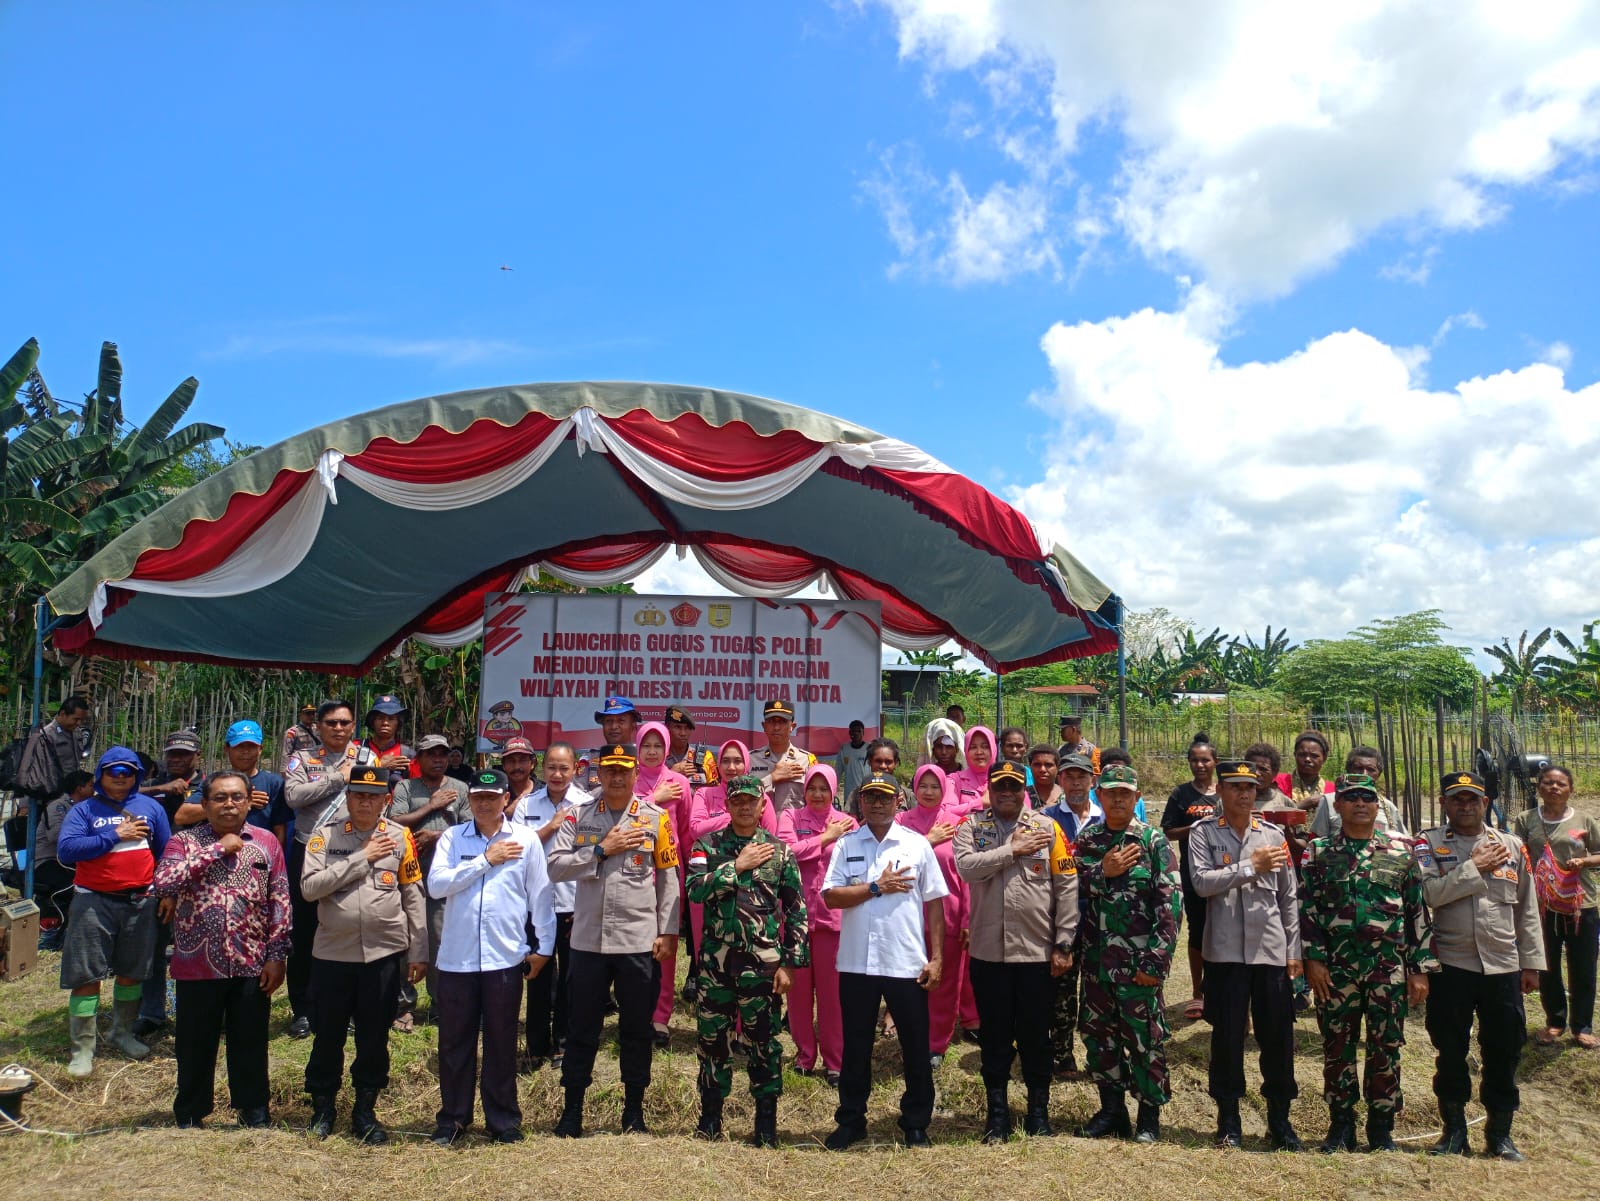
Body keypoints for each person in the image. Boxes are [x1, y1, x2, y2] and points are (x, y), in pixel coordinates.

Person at [546, 743, 681, 1138]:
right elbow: (554, 866)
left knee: (636, 1030)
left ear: (636, 774)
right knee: (581, 1027)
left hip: (638, 942)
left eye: (625, 770)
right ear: (598, 775)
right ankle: (572, 1112)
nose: (617, 777)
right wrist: (601, 851)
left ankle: (633, 1112)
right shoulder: (577, 816)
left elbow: (669, 877)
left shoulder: (655, 819)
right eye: (610, 771)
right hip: (588, 942)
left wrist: (668, 931)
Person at [1301, 773, 1437, 1153]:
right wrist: (1313, 960)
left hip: (1387, 970)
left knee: (1386, 1048)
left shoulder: (1401, 850)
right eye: (1351, 797)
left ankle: (1381, 1128)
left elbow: (1416, 913)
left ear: (1378, 805)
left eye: (1367, 797)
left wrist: (1419, 968)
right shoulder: (1318, 852)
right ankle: (1341, 1126)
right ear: (1337, 805)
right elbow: (1307, 909)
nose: (1360, 803)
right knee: (1336, 1047)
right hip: (1336, 971)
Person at [153, 770, 290, 1128]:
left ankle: (253, 1109)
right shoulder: (183, 842)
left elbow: (280, 900)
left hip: (250, 960)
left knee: (250, 1041)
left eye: (236, 797)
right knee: (194, 1044)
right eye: (220, 797)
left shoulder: (265, 843)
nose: (229, 804)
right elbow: (163, 881)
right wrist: (217, 849)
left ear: (248, 801)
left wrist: (277, 956)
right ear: (205, 803)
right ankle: (191, 1111)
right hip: (196, 963)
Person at [1419, 771, 1544, 1161]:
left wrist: (1532, 963)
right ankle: (1454, 1131)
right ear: (1444, 804)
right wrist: (1473, 867)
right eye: (1457, 799)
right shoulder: (1428, 844)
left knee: (1504, 1049)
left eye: (1473, 799)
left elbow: (1527, 909)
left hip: (1503, 966)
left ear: (1485, 803)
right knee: (1451, 1049)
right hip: (1452, 965)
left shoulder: (1512, 846)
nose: (1466, 805)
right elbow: (1429, 894)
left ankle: (1500, 1134)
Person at [299, 764, 427, 1143]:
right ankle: (323, 1108)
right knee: (328, 1037)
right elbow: (309, 888)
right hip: (333, 957)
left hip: (383, 956)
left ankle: (365, 1111)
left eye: (373, 796)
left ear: (386, 800)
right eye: (358, 795)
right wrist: (363, 857)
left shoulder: (401, 837)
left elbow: (413, 896)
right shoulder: (324, 838)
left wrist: (419, 950)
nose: (365, 802)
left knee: (373, 1037)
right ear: (348, 797)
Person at [428, 768, 555, 1146]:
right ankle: (453, 1119)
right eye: (478, 797)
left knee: (501, 1042)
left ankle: (503, 1121)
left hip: (504, 957)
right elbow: (436, 885)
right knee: (454, 1043)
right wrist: (486, 859)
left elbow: (541, 896)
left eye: (492, 797)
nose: (484, 803)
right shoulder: (453, 837)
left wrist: (544, 947)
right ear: (470, 801)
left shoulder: (526, 840)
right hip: (457, 960)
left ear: (505, 800)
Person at [821, 772, 948, 1150]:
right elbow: (832, 897)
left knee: (915, 1047)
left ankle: (915, 1123)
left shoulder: (916, 846)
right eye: (870, 797)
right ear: (860, 802)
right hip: (857, 964)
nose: (877, 803)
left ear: (898, 802)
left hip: (905, 962)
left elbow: (935, 904)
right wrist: (876, 886)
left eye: (884, 797)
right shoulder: (846, 845)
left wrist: (937, 957)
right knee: (856, 1046)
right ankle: (851, 1120)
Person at [953, 759, 1078, 1142]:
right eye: (1000, 786)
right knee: (994, 1037)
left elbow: (1067, 885)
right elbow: (966, 868)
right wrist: (1012, 849)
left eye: (1013, 786)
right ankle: (998, 1115)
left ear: (1023, 789)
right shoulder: (972, 827)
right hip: (989, 955)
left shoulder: (1047, 827)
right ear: (989, 789)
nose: (1007, 792)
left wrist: (1064, 942)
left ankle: (1038, 1112)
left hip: (1036, 954)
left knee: (1036, 1036)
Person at [687, 773, 809, 1146]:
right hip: (716, 966)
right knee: (712, 1041)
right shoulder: (706, 845)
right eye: (736, 800)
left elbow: (797, 911)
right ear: (727, 805)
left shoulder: (780, 852)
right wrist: (736, 866)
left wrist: (789, 964)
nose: (743, 806)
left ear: (762, 806)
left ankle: (766, 1124)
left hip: (762, 966)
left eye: (750, 801)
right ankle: (710, 1119)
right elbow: (694, 890)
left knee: (764, 1043)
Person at [1190, 760, 1303, 1151]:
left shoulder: (1272, 834)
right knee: (1226, 1038)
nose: (1243, 794)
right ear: (1220, 790)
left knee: (1277, 1038)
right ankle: (1228, 1120)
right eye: (1235, 787)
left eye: (1250, 788)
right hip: (1224, 956)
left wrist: (1294, 950)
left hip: (1270, 952)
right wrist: (1249, 866)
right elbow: (1202, 882)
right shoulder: (1203, 833)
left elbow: (1289, 897)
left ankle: (1280, 1121)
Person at [1074, 763, 1180, 1143]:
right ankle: (1112, 1111)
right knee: (1099, 1039)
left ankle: (1148, 1118)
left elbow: (1170, 907)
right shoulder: (1088, 841)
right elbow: (1072, 889)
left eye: (1125, 793)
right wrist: (1103, 870)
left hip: (1138, 966)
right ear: (1098, 796)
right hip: (1097, 964)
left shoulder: (1153, 842)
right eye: (1110, 791)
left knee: (1144, 1041)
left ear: (1137, 798)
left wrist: (1155, 963)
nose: (1118, 798)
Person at [55, 747, 173, 1077]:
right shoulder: (84, 810)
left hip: (140, 900)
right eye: (112, 772)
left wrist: (165, 892)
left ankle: (122, 1032)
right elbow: (67, 849)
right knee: (86, 974)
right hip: (93, 901)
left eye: (127, 772)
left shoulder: (151, 808)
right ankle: (83, 1048)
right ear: (100, 776)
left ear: (137, 776)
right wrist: (113, 835)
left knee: (132, 970)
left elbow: (166, 853)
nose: (120, 778)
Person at [282, 699, 367, 1038]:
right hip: (309, 849)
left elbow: (373, 799)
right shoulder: (302, 759)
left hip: (352, 849)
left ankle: (342, 1007)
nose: (338, 728)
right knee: (304, 931)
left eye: (344, 722)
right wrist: (337, 778)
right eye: (330, 722)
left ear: (352, 725)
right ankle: (302, 1009)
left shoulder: (366, 759)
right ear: (317, 726)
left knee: (346, 926)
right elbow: (293, 796)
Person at [1511, 763, 1600, 1050]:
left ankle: (1582, 1026)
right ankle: (1555, 1021)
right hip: (1541, 906)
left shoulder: (1585, 820)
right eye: (1548, 783)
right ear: (1539, 787)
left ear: (1571, 789)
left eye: (1560, 784)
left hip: (1580, 905)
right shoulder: (1526, 820)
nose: (1554, 788)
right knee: (1546, 965)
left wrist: (1585, 862)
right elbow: (1519, 855)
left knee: (1583, 966)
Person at [777, 764, 856, 1085]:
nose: (819, 794)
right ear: (804, 790)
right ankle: (805, 1055)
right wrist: (825, 838)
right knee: (797, 995)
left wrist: (823, 840)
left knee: (832, 997)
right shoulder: (790, 818)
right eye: (813, 788)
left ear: (834, 790)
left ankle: (835, 1061)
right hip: (795, 919)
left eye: (825, 788)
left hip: (833, 922)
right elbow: (786, 852)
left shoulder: (848, 822)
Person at [511, 740, 588, 1068]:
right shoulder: (525, 806)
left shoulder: (586, 803)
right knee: (538, 977)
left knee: (572, 978)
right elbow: (515, 850)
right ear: (542, 770)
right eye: (552, 768)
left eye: (564, 768)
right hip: (536, 904)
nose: (557, 774)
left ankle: (564, 1044)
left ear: (575, 770)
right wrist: (550, 828)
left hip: (574, 902)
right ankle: (537, 1046)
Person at [386, 733, 469, 1027]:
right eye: (431, 754)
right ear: (418, 759)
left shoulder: (460, 788)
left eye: (442, 754)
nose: (438, 759)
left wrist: (438, 835)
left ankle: (439, 1002)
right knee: (403, 940)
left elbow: (472, 827)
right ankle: (403, 1005)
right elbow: (393, 822)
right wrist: (431, 806)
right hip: (407, 877)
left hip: (443, 878)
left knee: (440, 940)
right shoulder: (406, 787)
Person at [135, 729, 210, 1037]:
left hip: (197, 877)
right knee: (152, 950)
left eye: (184, 754)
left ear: (197, 756)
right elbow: (118, 795)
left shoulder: (208, 784)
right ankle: (152, 1013)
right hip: (154, 876)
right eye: (172, 753)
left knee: (196, 948)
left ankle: (196, 1013)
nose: (177, 759)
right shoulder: (154, 784)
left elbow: (188, 816)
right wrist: (163, 788)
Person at [896, 763, 969, 1066]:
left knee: (944, 983)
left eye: (935, 786)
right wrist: (928, 841)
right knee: (909, 982)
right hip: (906, 915)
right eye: (922, 785)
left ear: (944, 789)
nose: (928, 792)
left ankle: (937, 1044)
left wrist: (967, 919)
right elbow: (893, 861)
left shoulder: (959, 823)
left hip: (948, 914)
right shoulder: (900, 821)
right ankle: (913, 1038)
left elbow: (967, 874)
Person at [1040, 751, 1098, 1080]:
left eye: (1082, 776)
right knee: (1061, 991)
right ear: (1060, 780)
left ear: (1093, 780)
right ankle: (1061, 1056)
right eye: (1070, 776)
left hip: (1101, 920)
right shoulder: (1046, 818)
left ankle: (1100, 1055)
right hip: (1059, 918)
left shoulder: (1108, 817)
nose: (1076, 782)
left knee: (1097, 992)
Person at [636, 720, 692, 1045]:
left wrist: (687, 869)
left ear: (667, 748)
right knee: (638, 945)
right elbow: (627, 816)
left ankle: (660, 1017)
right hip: (635, 873)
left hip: (669, 872)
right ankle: (638, 1011)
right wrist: (654, 797)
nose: (653, 751)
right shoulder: (628, 779)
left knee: (667, 946)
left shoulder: (680, 783)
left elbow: (684, 831)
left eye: (659, 745)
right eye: (647, 745)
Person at [1160, 734, 1219, 1022]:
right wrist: (1197, 827)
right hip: (1193, 873)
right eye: (1194, 760)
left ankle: (1220, 991)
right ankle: (1198, 993)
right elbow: (1168, 831)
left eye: (1205, 759)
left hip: (1225, 872)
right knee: (1198, 931)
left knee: (1222, 931)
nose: (1200, 764)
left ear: (1215, 762)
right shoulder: (1180, 795)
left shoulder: (1226, 792)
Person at [32, 770, 93, 951]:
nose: (94, 789)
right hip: (48, 862)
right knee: (75, 888)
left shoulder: (89, 807)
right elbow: (58, 837)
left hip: (69, 863)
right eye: (91, 785)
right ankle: (58, 934)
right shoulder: (59, 806)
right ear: (79, 788)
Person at [1310, 746, 1407, 839]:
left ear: (1378, 774)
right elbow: (1317, 839)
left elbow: (1403, 840)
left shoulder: (1387, 806)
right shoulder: (1329, 801)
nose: (1364, 773)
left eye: (1371, 769)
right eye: (1358, 768)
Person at [15, 695, 89, 815]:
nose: (78, 723)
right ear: (63, 714)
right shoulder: (46, 736)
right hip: (51, 798)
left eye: (81, 720)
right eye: (75, 719)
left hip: (71, 796)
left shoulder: (76, 733)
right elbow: (31, 771)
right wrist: (24, 805)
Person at [221, 720, 290, 844]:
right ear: (227, 749)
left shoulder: (275, 784)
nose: (245, 752)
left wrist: (276, 857)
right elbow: (183, 816)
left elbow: (280, 829)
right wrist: (242, 802)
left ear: (260, 749)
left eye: (251, 746)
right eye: (239, 746)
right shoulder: (216, 782)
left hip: (260, 856)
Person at [748, 698, 815, 812]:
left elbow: (815, 802)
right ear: (764, 726)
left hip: (794, 829)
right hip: (757, 828)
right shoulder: (750, 759)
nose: (776, 727)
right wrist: (771, 778)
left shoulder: (807, 760)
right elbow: (741, 798)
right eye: (771, 721)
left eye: (783, 721)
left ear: (792, 726)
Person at [578, 695, 640, 793]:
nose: (614, 726)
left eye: (621, 721)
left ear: (633, 726)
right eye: (609, 721)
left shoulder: (643, 758)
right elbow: (577, 796)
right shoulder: (588, 759)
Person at [360, 694, 415, 786]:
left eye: (391, 719)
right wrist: (379, 765)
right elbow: (346, 777)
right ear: (372, 721)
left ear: (398, 723)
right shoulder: (357, 748)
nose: (385, 723)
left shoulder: (407, 755)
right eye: (380, 718)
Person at [1277, 730, 1335, 812]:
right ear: (1295, 755)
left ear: (1324, 758)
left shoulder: (1332, 790)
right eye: (1302, 755)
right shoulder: (1279, 782)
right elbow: (1273, 813)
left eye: (1314, 756)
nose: (1307, 759)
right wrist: (1306, 803)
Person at [664, 705, 717, 790]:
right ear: (667, 728)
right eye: (678, 727)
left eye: (687, 728)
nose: (683, 733)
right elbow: (648, 789)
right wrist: (671, 773)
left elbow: (714, 791)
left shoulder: (705, 757)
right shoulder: (657, 757)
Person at [949, 726, 998, 814]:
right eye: (973, 747)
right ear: (966, 750)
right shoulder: (954, 780)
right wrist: (981, 803)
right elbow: (946, 812)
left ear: (994, 749)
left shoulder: (1006, 779)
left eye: (985, 747)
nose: (979, 752)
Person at [834, 720, 872, 802]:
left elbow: (876, 771)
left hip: (867, 793)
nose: (856, 734)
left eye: (859, 731)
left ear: (863, 733)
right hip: (849, 795)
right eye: (853, 731)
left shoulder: (870, 749)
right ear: (850, 733)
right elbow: (837, 772)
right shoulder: (844, 749)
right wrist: (833, 788)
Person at [281, 702, 321, 768]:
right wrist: (284, 770)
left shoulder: (319, 729)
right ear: (301, 715)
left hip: (318, 765)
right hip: (301, 766)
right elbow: (286, 753)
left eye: (313, 713)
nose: (311, 716)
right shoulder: (293, 732)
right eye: (308, 714)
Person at [1027, 745, 1059, 809]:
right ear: (1030, 767)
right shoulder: (1023, 796)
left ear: (1057, 768)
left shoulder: (1067, 796)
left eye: (1048, 765)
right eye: (1037, 764)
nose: (1042, 769)